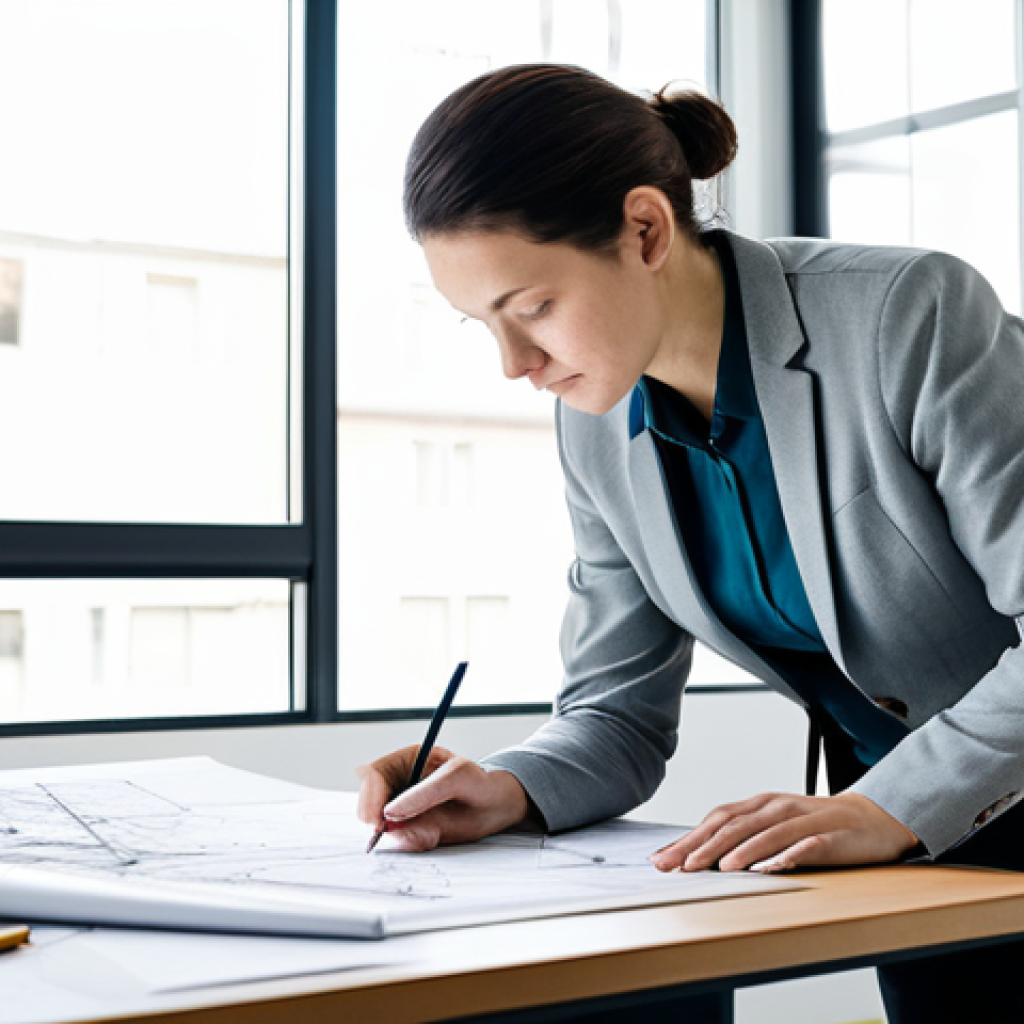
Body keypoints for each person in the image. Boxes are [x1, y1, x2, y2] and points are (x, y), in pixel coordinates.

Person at [356, 64, 1024, 1022]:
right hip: (916, 848)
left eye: (533, 307)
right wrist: (505, 788)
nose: (513, 365)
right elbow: (616, 718)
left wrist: (888, 806)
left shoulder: (905, 316)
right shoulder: (593, 421)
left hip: (923, 803)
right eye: (482, 327)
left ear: (645, 229)